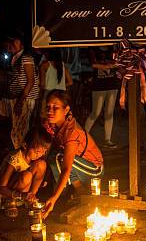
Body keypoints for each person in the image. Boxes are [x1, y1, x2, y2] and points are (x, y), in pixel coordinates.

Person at [42, 90, 104, 219]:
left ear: (66, 110)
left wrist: (53, 198)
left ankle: (76, 191)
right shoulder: (54, 125)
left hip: (94, 169)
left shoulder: (72, 132)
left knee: (59, 157)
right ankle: (75, 191)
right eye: (48, 107)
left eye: (55, 107)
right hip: (78, 165)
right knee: (55, 156)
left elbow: (66, 168)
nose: (50, 111)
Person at [0, 125, 52, 217]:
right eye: (37, 152)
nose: (40, 155)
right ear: (25, 145)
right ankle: (10, 202)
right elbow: (0, 187)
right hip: (6, 194)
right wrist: (20, 195)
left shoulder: (35, 159)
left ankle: (31, 198)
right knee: (27, 176)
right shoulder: (15, 158)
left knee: (42, 164)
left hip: (22, 194)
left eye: (43, 152)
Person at [0, 31, 40, 149]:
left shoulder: (26, 58)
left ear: (22, 44)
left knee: (20, 130)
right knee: (18, 129)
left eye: (14, 41)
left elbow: (31, 81)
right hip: (20, 99)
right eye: (9, 41)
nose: (10, 44)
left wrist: (20, 101)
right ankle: (20, 154)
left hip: (25, 99)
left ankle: (21, 156)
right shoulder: (16, 58)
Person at [83, 46, 120, 149]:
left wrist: (107, 66)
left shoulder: (113, 48)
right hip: (99, 85)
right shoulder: (93, 50)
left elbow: (118, 62)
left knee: (109, 112)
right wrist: (107, 66)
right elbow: (93, 64)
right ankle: (83, 137)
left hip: (112, 83)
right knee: (96, 112)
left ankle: (107, 139)